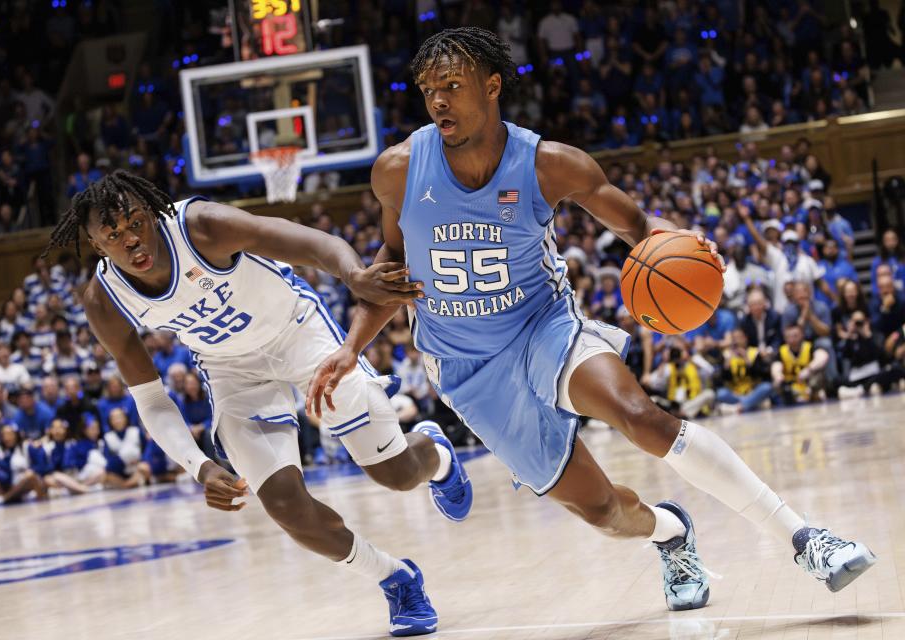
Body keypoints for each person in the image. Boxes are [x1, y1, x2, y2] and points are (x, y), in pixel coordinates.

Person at [308, 27, 875, 613]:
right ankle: (670, 532)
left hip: (543, 327)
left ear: (493, 86)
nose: (439, 101)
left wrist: (683, 243)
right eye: (429, 90)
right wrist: (352, 347)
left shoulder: (551, 165)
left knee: (641, 417)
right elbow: (393, 266)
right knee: (602, 510)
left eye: (453, 85)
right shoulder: (398, 171)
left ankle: (804, 536)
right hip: (465, 365)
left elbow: (638, 226)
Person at [44, 170, 469, 636]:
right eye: (113, 235)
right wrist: (199, 466)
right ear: (94, 243)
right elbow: (150, 398)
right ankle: (395, 577)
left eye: (135, 223)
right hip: (232, 371)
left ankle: (435, 452)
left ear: (151, 212)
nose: (131, 240)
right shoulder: (103, 301)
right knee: (285, 506)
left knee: (398, 475)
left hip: (299, 336)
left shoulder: (201, 226)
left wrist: (354, 275)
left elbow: (309, 242)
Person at [717, 328, 774, 414]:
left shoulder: (754, 352)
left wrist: (747, 360)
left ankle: (738, 408)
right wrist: (726, 365)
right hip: (735, 393)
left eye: (739, 337)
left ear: (745, 338)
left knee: (767, 387)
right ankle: (751, 404)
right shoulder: (726, 355)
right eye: (734, 338)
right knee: (721, 393)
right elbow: (723, 380)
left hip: (752, 392)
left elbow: (760, 375)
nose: (736, 341)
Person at [772, 324, 830, 404]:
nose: (792, 339)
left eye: (795, 336)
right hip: (791, 385)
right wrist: (777, 375)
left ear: (802, 335)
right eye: (789, 336)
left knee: (818, 376)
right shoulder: (782, 350)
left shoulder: (809, 346)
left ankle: (815, 394)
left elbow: (823, 356)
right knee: (777, 385)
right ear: (785, 338)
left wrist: (809, 370)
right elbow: (776, 365)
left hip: (808, 382)